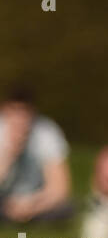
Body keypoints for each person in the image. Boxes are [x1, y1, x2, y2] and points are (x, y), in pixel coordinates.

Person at [0, 85, 73, 224]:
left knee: (65, 208)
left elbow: (60, 190)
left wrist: (32, 207)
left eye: (24, 113)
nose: (20, 120)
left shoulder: (47, 133)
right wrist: (10, 154)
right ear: (5, 110)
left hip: (37, 201)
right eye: (15, 112)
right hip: (4, 202)